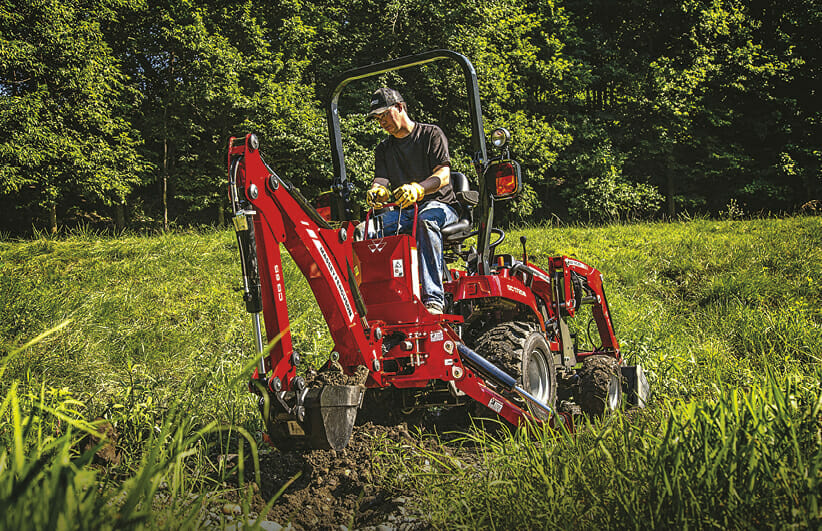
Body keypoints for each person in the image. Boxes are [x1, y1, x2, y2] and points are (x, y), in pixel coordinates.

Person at [365, 87, 458, 315]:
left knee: (425, 220)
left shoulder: (430, 134)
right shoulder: (384, 149)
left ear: (400, 107)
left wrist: (419, 189)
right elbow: (381, 180)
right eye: (378, 119)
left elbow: (443, 176)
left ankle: (434, 299)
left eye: (384, 115)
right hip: (405, 211)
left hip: (440, 207)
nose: (382, 122)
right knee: (367, 231)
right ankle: (379, 301)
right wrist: (377, 191)